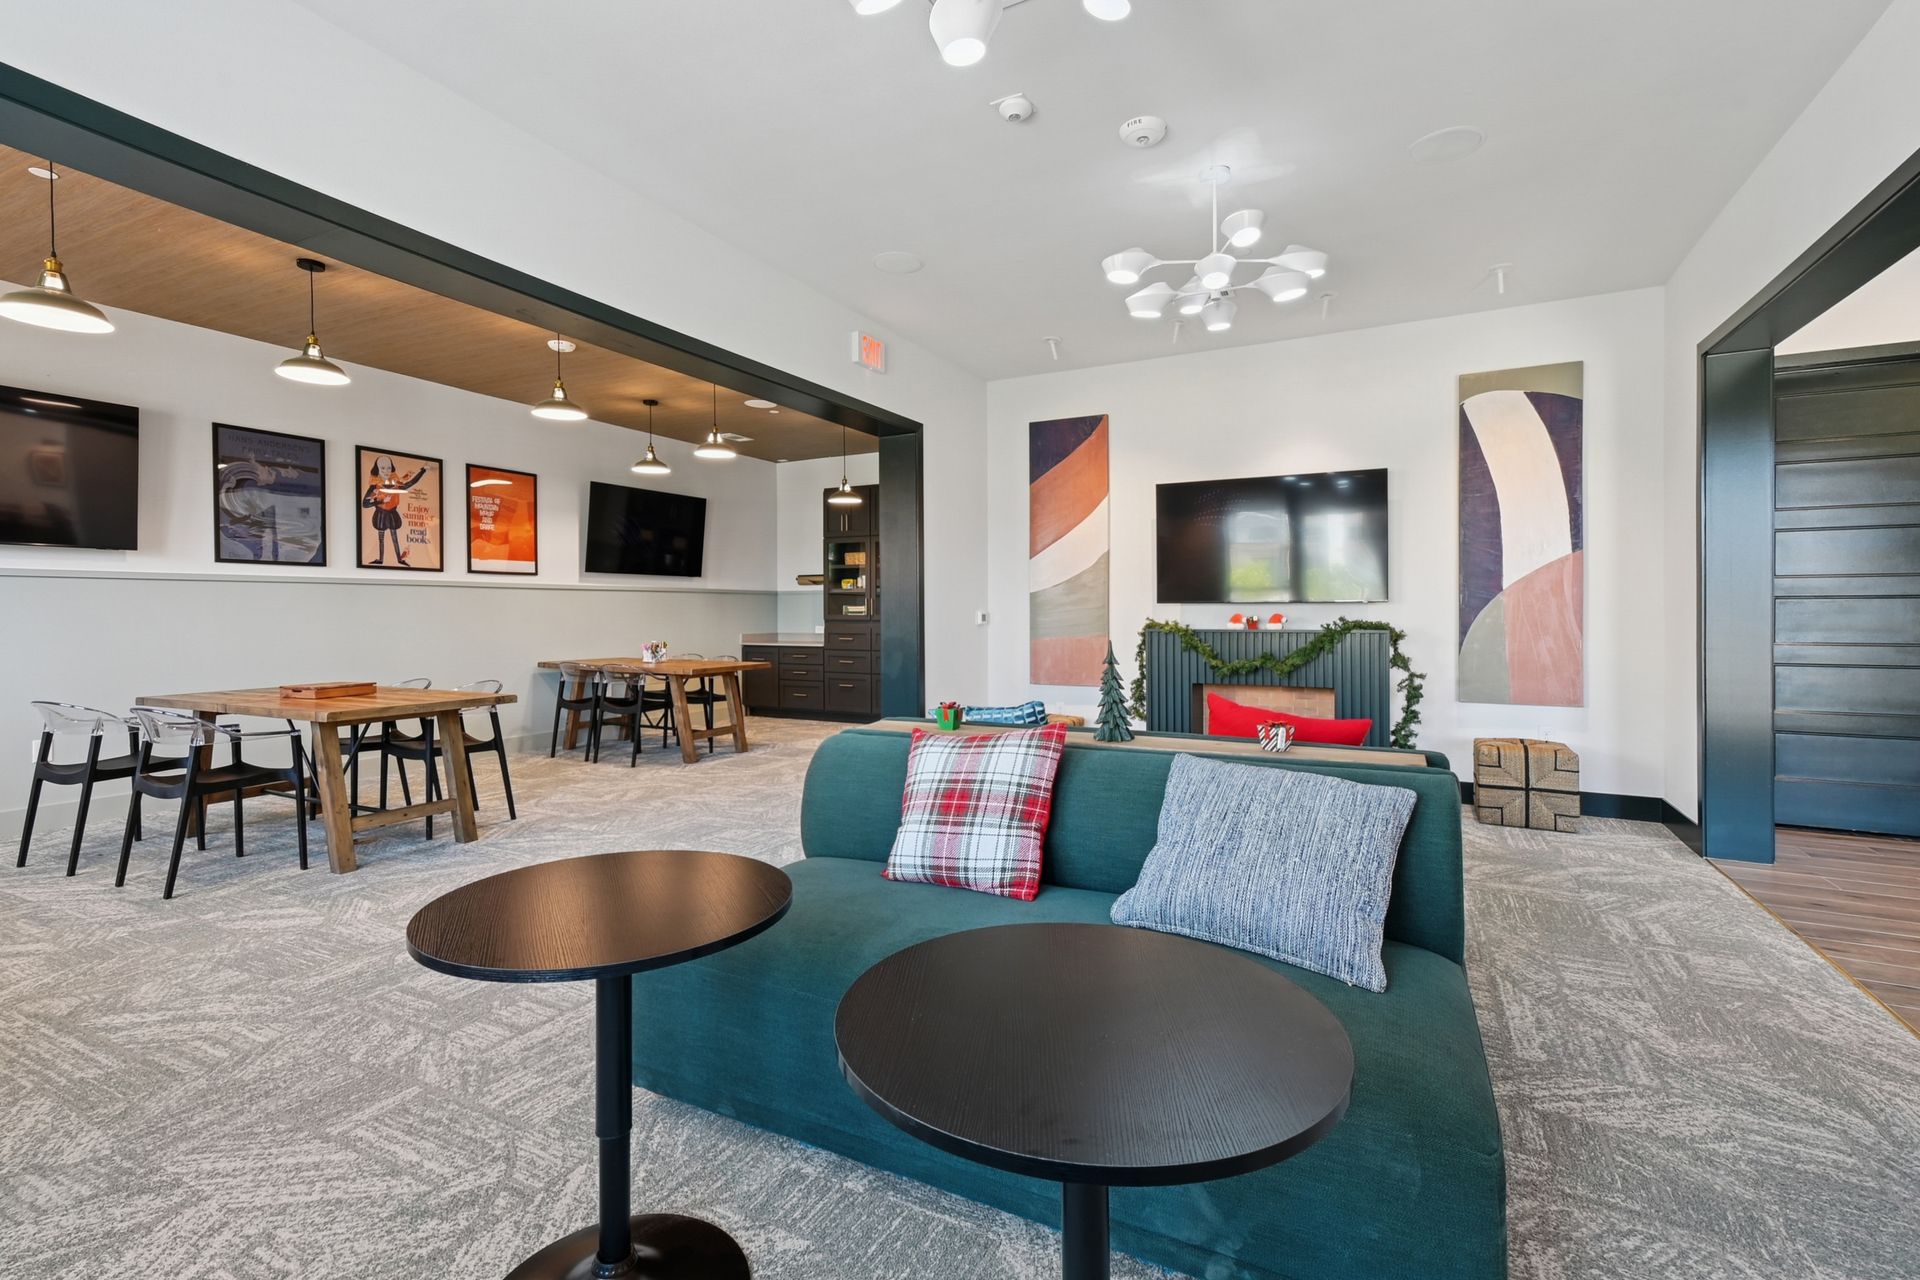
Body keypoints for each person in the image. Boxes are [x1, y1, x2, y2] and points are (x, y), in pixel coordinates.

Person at [361, 454, 427, 566]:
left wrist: (423, 470)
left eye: (388, 468)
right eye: (382, 468)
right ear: (377, 469)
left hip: (392, 513)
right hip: (381, 515)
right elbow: (365, 504)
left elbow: (410, 483)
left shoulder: (396, 485)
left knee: (395, 538)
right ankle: (381, 560)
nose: (386, 471)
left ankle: (399, 560)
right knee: (381, 539)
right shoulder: (374, 486)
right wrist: (381, 501)